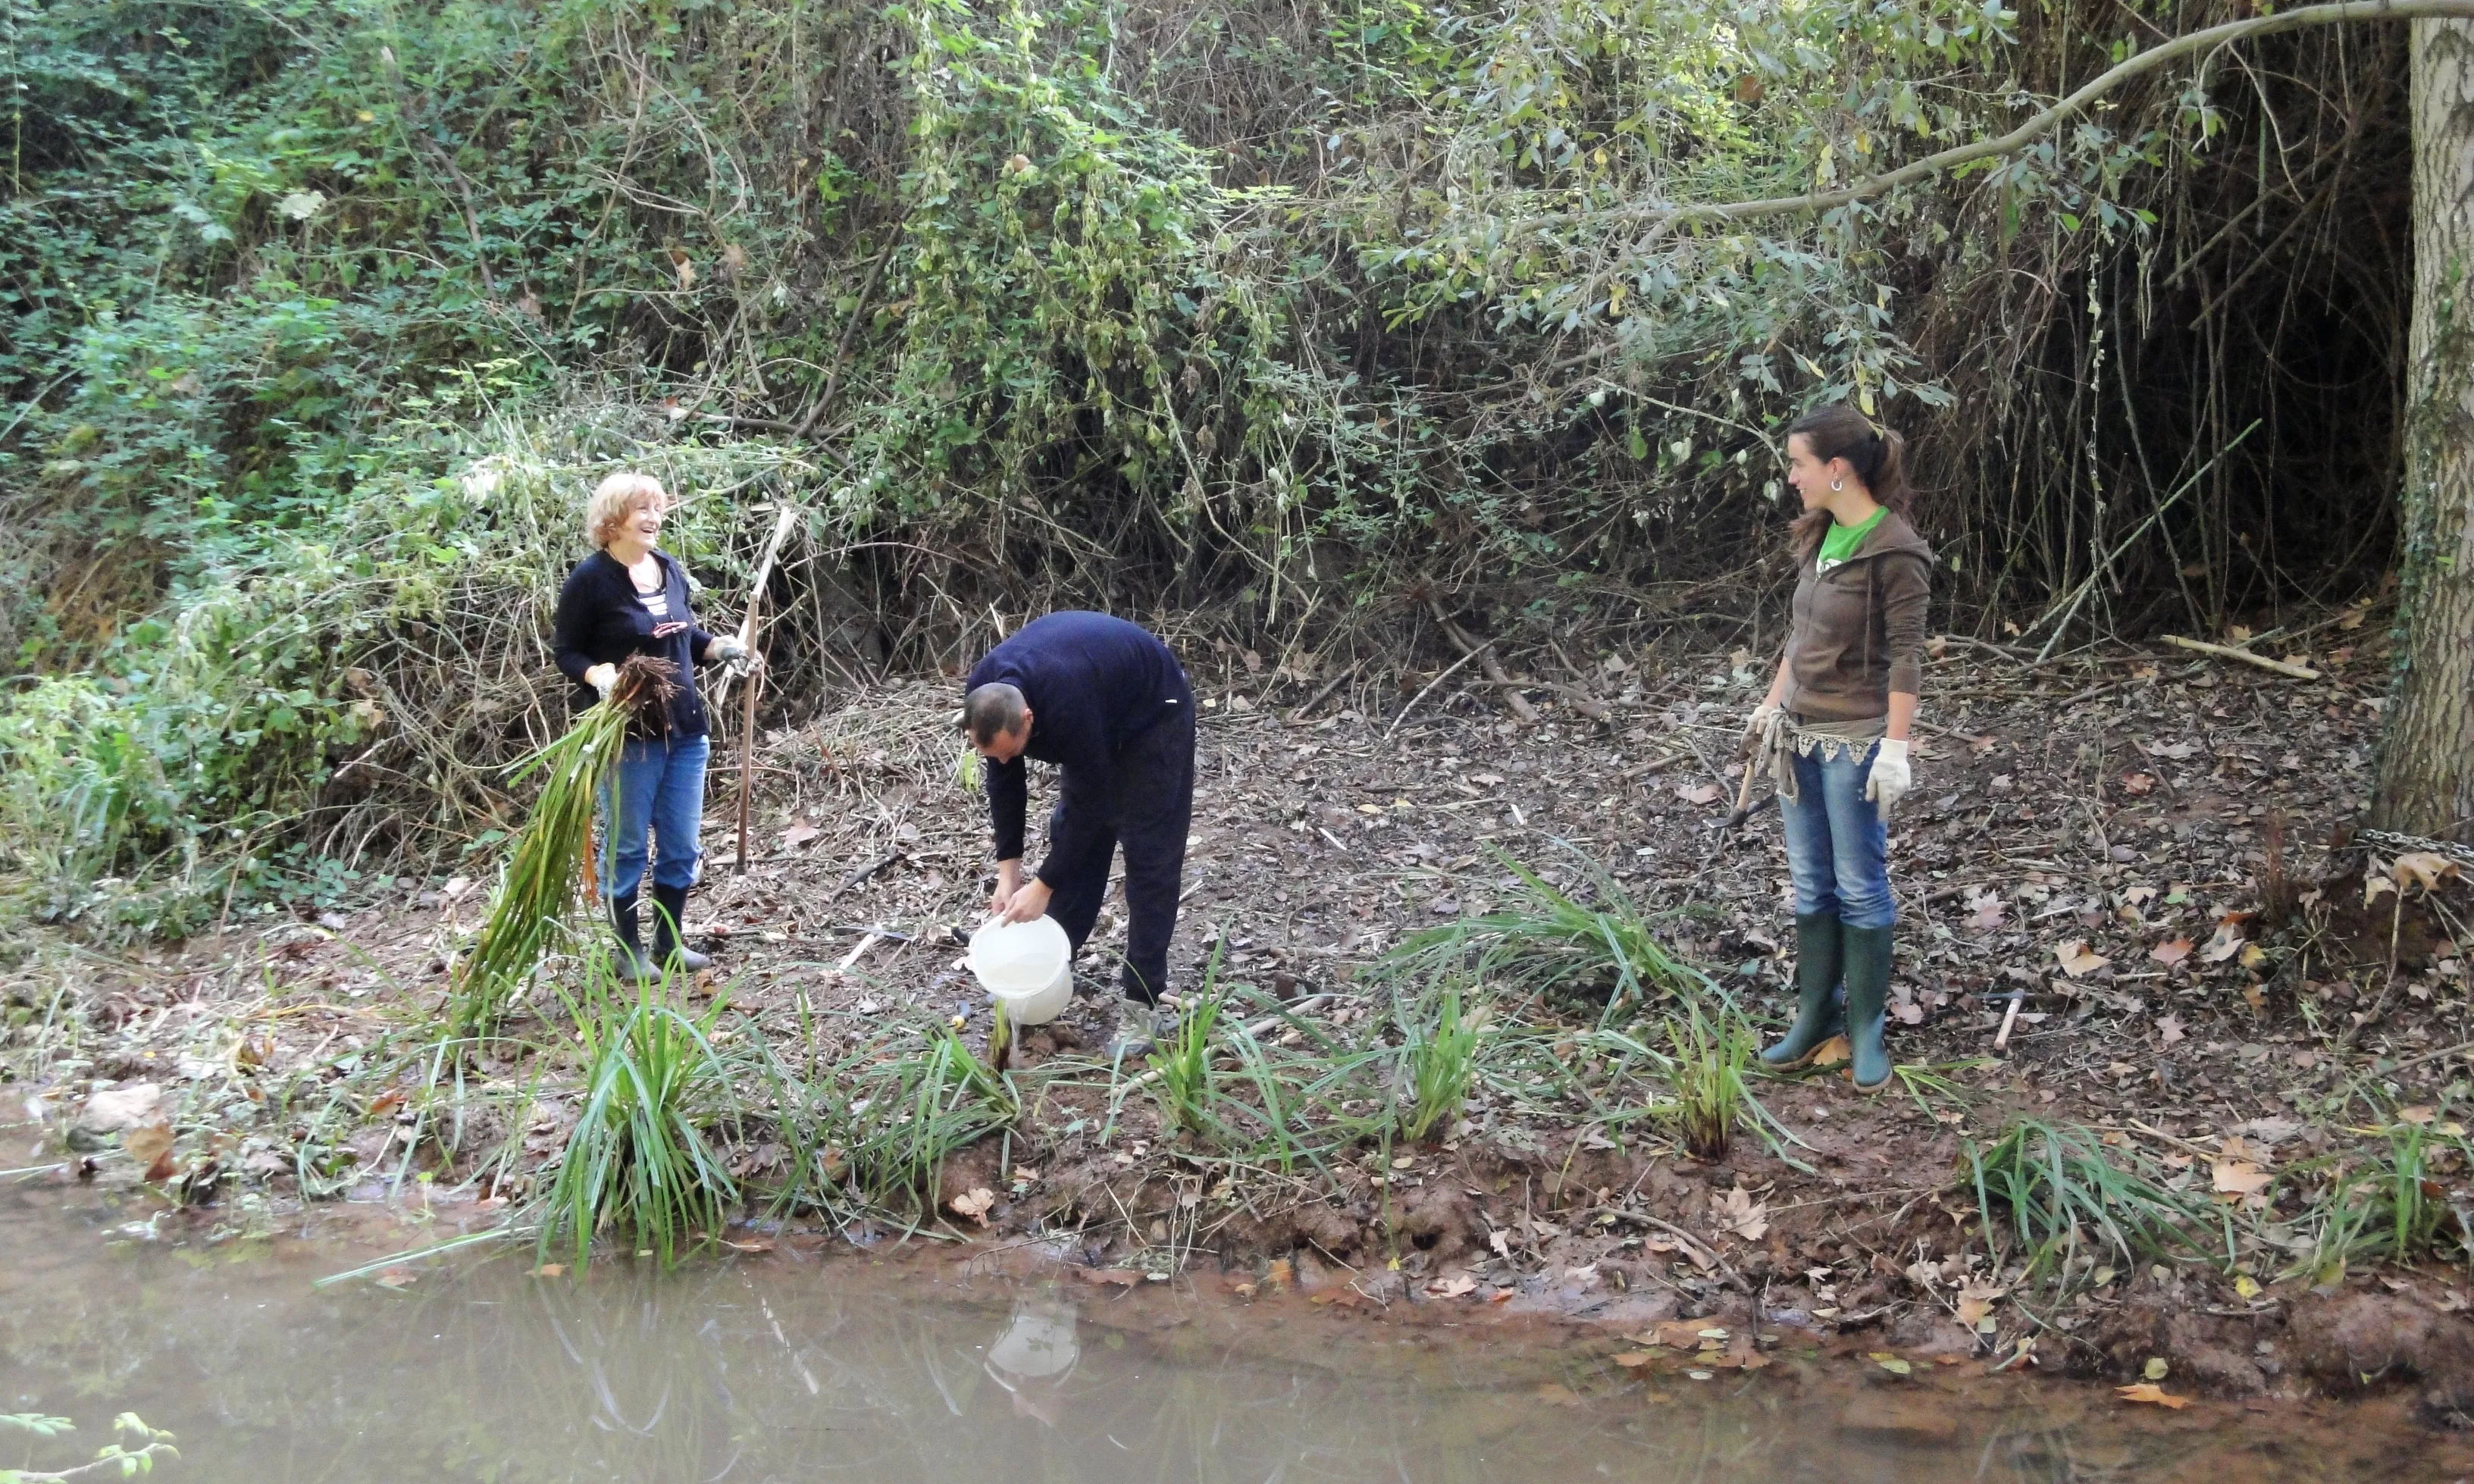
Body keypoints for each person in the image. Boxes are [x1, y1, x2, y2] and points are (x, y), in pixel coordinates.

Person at [1745, 405, 1932, 1092]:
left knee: (1859, 884)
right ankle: (1815, 1016)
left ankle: (1866, 1029)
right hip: (1798, 739)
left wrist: (1896, 748)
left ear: (1836, 468)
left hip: (1856, 744)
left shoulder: (1895, 548)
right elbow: (1801, 638)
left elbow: (1908, 656)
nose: (1791, 477)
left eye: (1797, 464)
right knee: (1812, 883)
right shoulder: (1823, 538)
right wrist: (1770, 705)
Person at [963, 612, 1195, 1057]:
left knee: (1150, 855)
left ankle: (1142, 1002)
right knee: (1072, 841)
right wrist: (1009, 873)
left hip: (1153, 713)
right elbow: (1004, 781)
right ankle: (1046, 974)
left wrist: (1042, 884)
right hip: (1098, 699)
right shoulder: (987, 696)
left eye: (1015, 752)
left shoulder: (1068, 703)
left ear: (1029, 718)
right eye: (996, 754)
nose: (1006, 761)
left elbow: (1096, 802)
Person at [552, 472, 752, 979]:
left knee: (683, 844)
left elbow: (684, 637)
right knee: (628, 847)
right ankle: (627, 951)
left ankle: (668, 943)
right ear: (613, 519)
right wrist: (599, 674)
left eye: (657, 508)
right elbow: (567, 651)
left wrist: (723, 648)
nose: (653, 517)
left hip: (686, 731)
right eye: (642, 508)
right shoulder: (591, 580)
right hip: (629, 736)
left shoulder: (668, 568)